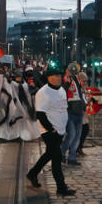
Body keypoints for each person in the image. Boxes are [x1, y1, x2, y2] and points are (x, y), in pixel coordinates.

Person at [26, 67, 75, 196]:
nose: (59, 78)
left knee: (49, 154)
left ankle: (32, 173)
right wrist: (51, 129)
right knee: (57, 158)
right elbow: (40, 114)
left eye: (60, 75)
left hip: (60, 129)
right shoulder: (42, 93)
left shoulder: (61, 90)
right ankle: (61, 188)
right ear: (48, 78)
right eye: (55, 76)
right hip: (49, 131)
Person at [60, 62, 86, 165]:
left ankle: (72, 158)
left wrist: (84, 104)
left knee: (77, 136)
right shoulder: (65, 79)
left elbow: (80, 93)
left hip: (79, 110)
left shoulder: (78, 79)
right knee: (71, 135)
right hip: (70, 110)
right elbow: (62, 91)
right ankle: (61, 154)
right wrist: (67, 83)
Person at [77, 72, 91, 156]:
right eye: (84, 80)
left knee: (85, 130)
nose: (85, 82)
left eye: (86, 81)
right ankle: (76, 148)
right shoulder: (77, 87)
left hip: (83, 115)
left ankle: (79, 147)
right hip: (78, 113)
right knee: (79, 132)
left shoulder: (83, 88)